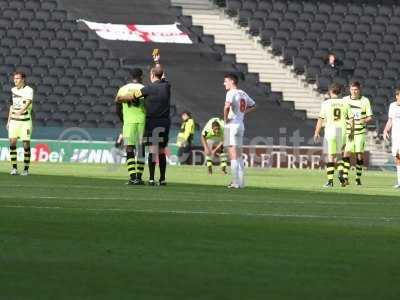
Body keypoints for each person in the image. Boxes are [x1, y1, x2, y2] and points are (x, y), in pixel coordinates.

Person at [314, 83, 354, 187]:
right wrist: (352, 132)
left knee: (330, 156)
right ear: (340, 92)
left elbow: (320, 119)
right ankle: (341, 171)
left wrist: (316, 132)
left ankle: (330, 181)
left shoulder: (326, 103)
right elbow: (351, 119)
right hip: (341, 131)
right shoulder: (345, 103)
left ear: (330, 92)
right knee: (339, 155)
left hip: (330, 132)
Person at [223, 73, 256, 189]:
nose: (224, 83)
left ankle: (235, 182)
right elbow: (254, 105)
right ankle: (241, 182)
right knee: (239, 156)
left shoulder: (230, 93)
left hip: (231, 125)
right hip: (240, 125)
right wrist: (242, 113)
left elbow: (226, 107)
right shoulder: (243, 93)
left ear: (232, 81)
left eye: (226, 81)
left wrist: (225, 120)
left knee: (232, 155)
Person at [115, 68, 146, 185]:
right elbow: (148, 106)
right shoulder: (144, 88)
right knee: (141, 149)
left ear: (130, 76)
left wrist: (124, 120)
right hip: (142, 121)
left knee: (129, 148)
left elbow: (117, 109)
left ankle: (133, 177)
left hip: (128, 122)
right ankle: (139, 177)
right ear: (141, 76)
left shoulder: (122, 89)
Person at [341, 82, 373, 186]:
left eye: (356, 90)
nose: (354, 92)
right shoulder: (345, 100)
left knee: (359, 155)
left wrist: (363, 120)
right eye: (352, 89)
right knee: (346, 153)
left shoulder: (365, 101)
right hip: (349, 132)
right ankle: (345, 177)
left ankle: (358, 178)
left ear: (359, 90)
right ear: (349, 89)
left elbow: (370, 117)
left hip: (360, 132)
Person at [7, 71, 34, 176]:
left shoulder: (29, 90)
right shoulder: (13, 90)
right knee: (12, 143)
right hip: (14, 121)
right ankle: (14, 168)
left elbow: (28, 103)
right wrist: (8, 121)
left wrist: (20, 112)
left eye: (17, 78)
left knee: (26, 144)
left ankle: (26, 169)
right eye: (14, 78)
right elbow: (11, 106)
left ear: (23, 79)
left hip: (25, 122)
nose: (15, 80)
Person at [383, 88, 400, 189]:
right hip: (396, 137)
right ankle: (399, 181)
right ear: (397, 96)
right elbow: (390, 120)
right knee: (397, 159)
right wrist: (385, 131)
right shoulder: (392, 106)